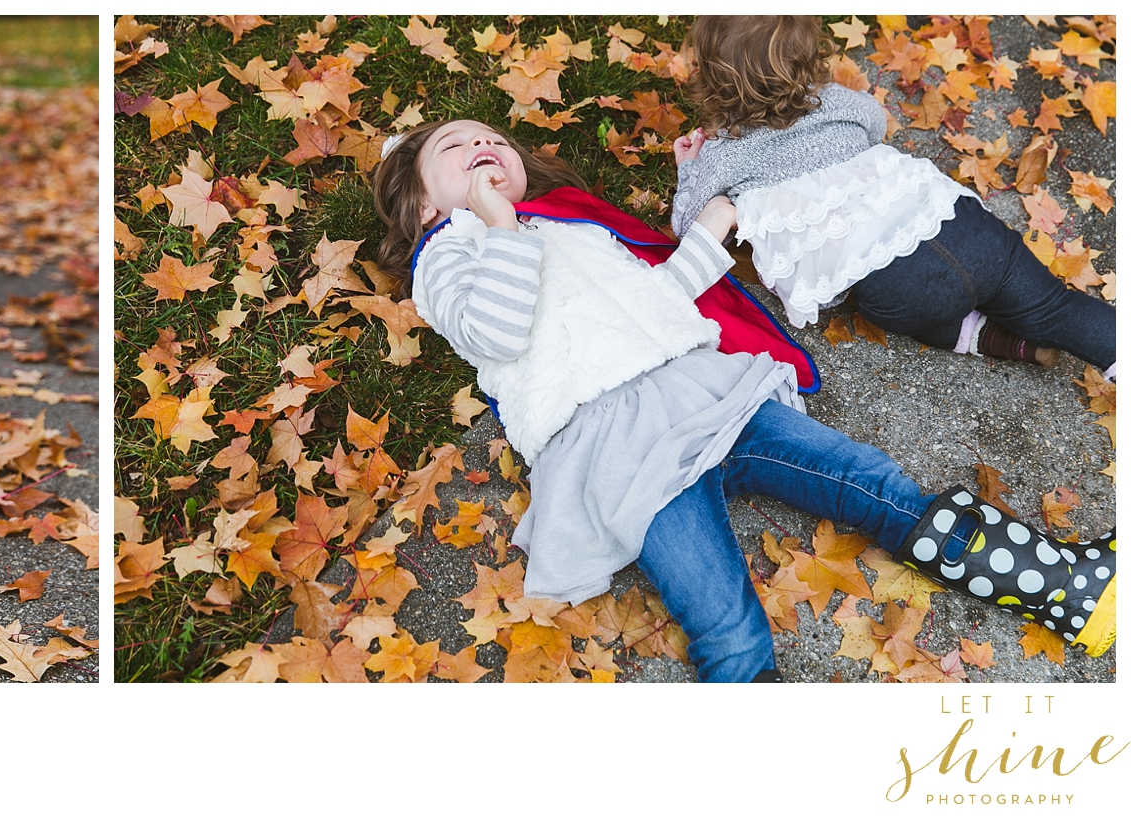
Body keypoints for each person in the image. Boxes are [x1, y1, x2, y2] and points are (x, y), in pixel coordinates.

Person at [370, 118, 1114, 681]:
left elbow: (658, 300)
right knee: (726, 624)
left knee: (868, 480)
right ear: (422, 204)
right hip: (609, 446)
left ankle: (1061, 586)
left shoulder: (572, 227)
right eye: (453, 150)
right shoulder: (445, 258)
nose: (478, 147)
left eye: (487, 139)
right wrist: (497, 226)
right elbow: (495, 330)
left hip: (698, 387)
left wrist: (713, 227)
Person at [672, 15, 1114, 374]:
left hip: (899, 287)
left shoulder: (724, 155)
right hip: (962, 228)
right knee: (1056, 307)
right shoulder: (833, 100)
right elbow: (876, 125)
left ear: (714, 80)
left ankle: (995, 340)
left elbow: (688, 226)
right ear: (808, 55)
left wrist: (689, 169)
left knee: (918, 313)